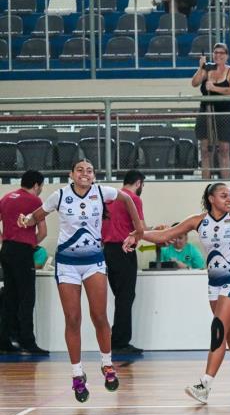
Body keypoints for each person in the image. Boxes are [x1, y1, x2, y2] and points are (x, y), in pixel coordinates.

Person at [124, 182, 230, 403]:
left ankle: (204, 384)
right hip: (214, 283)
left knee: (217, 327)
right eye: (223, 195)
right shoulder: (197, 221)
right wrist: (138, 235)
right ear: (211, 198)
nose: (229, 199)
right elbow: (165, 236)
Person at [18, 159, 143, 402]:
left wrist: (138, 229)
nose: (85, 173)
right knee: (73, 318)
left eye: (90, 170)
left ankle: (107, 364)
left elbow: (127, 198)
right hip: (67, 264)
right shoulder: (59, 195)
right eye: (80, 170)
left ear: (94, 176)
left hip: (94, 261)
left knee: (99, 316)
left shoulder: (102, 192)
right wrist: (26, 220)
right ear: (71, 174)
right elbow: (37, 215)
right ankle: (77, 373)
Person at [0, 170, 48, 355]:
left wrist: (5, 239)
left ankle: (4, 341)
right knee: (27, 297)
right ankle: (27, 341)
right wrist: (30, 244)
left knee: (10, 297)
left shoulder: (6, 198)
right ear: (36, 185)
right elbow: (43, 232)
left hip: (6, 250)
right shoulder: (34, 201)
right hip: (23, 251)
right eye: (41, 186)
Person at [102, 169, 146, 355]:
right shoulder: (133, 199)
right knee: (126, 296)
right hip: (124, 248)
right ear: (138, 183)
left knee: (120, 296)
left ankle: (115, 339)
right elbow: (140, 229)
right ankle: (120, 341)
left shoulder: (110, 198)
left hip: (107, 250)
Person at [192, 42, 230, 180]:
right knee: (205, 149)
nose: (218, 55)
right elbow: (194, 83)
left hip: (224, 113)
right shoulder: (208, 69)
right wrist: (201, 67)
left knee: (224, 149)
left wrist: (214, 88)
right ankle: (205, 182)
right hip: (206, 111)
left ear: (227, 56)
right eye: (216, 52)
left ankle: (225, 183)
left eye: (221, 53)